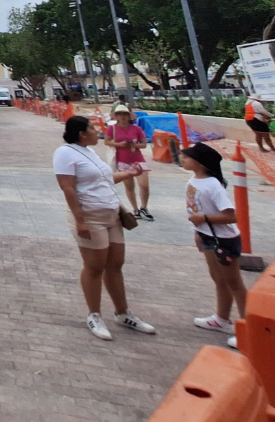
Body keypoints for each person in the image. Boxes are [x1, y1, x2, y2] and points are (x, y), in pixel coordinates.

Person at [54, 115, 156, 341]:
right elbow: (68, 188)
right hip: (90, 216)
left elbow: (105, 180)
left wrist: (129, 173)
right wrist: (80, 220)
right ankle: (94, 314)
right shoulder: (64, 153)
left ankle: (123, 312)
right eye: (92, 128)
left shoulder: (89, 153)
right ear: (82, 133)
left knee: (115, 264)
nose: (96, 131)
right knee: (94, 266)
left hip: (112, 214)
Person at [181, 143, 247, 350]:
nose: (182, 158)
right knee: (219, 280)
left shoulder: (213, 185)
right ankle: (222, 319)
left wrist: (204, 219)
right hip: (207, 237)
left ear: (200, 163)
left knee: (234, 283)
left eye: (187, 156)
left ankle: (249, 327)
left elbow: (232, 216)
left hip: (223, 240)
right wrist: (198, 232)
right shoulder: (193, 181)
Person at [104, 105, 153, 221]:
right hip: (122, 160)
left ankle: (144, 207)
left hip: (138, 158)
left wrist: (134, 145)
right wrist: (119, 144)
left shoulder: (136, 129)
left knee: (144, 185)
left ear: (129, 116)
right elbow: (107, 141)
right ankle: (135, 208)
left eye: (125, 114)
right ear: (116, 116)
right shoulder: (112, 128)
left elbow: (144, 144)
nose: (123, 117)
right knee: (129, 186)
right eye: (120, 114)